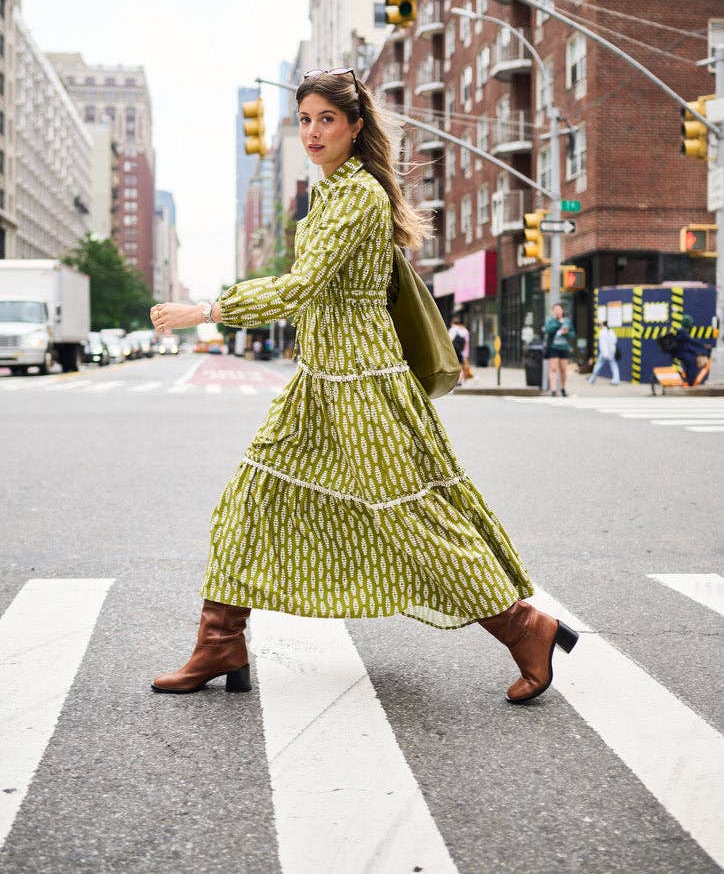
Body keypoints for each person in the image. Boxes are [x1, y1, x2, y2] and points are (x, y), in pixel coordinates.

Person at [149, 69, 578, 704]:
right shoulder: (328, 195)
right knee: (249, 498)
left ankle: (525, 627)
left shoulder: (357, 197)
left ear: (354, 126)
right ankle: (220, 640)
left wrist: (206, 310)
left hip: (363, 388)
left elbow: (302, 287)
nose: (314, 131)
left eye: (327, 119)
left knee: (412, 524)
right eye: (304, 119)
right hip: (320, 384)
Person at [673, 314, 711, 387]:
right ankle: (690, 383)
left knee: (693, 360)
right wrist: (703, 345)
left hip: (684, 352)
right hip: (682, 353)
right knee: (692, 364)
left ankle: (690, 381)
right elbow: (691, 341)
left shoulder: (683, 331)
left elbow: (688, 345)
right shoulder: (682, 331)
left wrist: (698, 352)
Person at [544, 302, 573, 396]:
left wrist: (567, 333)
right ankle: (553, 390)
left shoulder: (567, 321)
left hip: (564, 347)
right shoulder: (550, 320)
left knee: (563, 369)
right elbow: (548, 330)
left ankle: (563, 388)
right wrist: (558, 323)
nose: (557, 311)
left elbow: (572, 334)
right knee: (553, 368)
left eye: (559, 309)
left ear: (562, 310)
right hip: (553, 347)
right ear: (553, 311)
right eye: (555, 309)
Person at [587, 320, 620, 386]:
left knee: (598, 365)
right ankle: (616, 380)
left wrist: (605, 353)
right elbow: (614, 341)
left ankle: (592, 379)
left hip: (604, 353)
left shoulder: (602, 332)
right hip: (611, 352)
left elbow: (602, 344)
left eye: (601, 324)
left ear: (603, 325)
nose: (600, 325)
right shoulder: (611, 331)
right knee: (614, 365)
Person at [449, 313, 471, 385]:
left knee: (457, 366)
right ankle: (461, 379)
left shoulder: (453, 330)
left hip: (455, 351)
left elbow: (450, 340)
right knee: (461, 365)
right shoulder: (463, 330)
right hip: (461, 351)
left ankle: (459, 380)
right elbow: (465, 342)